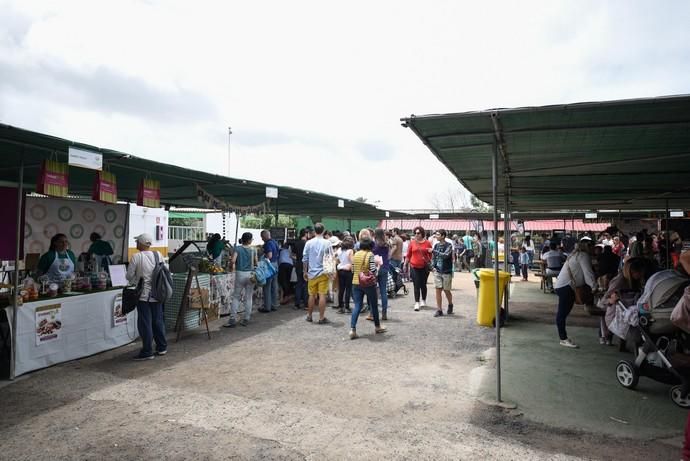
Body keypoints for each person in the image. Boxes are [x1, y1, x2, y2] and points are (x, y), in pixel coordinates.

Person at [126, 233, 167, 360]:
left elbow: (129, 276)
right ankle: (162, 347)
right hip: (158, 294)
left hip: (143, 296)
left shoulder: (136, 257)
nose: (136, 243)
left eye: (137, 241)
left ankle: (147, 351)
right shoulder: (158, 255)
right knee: (158, 321)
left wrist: (136, 279)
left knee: (145, 323)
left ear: (142, 243)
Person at [553, 237, 596, 348]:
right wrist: (595, 287)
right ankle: (563, 338)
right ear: (588, 247)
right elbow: (588, 274)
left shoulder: (575, 254)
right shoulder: (583, 256)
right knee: (562, 313)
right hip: (566, 287)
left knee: (563, 313)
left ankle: (563, 338)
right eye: (593, 247)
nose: (595, 250)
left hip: (563, 286)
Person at [349, 237, 385, 339]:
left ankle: (352, 329)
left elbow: (352, 269)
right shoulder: (370, 255)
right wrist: (378, 267)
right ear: (370, 246)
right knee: (373, 305)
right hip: (368, 284)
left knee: (357, 306)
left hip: (356, 282)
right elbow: (373, 271)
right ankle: (377, 327)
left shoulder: (355, 254)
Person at [224, 232, 258, 328]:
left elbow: (233, 260)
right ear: (249, 240)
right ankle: (246, 318)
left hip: (240, 274)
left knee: (236, 297)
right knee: (248, 297)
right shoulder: (253, 249)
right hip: (251, 274)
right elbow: (256, 262)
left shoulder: (238, 248)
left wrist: (231, 267)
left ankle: (232, 319)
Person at [302, 223, 331, 324]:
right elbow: (330, 258)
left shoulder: (308, 243)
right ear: (323, 231)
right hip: (323, 273)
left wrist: (305, 271)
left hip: (311, 273)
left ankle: (309, 316)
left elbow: (304, 259)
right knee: (322, 295)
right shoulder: (327, 243)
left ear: (314, 231)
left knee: (311, 295)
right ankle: (321, 317)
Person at [406, 226, 432, 311]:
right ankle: (417, 302)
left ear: (422, 234)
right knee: (416, 284)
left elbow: (430, 255)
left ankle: (423, 300)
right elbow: (408, 254)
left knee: (423, 284)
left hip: (424, 267)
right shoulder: (412, 243)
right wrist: (405, 264)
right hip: (414, 266)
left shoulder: (427, 243)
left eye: (418, 233)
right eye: (415, 233)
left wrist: (429, 259)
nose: (416, 235)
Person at [431, 229, 454, 317]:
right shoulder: (436, 245)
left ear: (443, 236)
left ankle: (450, 304)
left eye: (438, 234)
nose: (436, 236)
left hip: (446, 271)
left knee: (446, 290)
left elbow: (445, 255)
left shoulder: (449, 245)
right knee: (438, 290)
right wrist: (433, 267)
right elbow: (434, 258)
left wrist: (433, 251)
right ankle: (439, 309)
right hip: (437, 271)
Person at [371, 228, 390, 321]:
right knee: (383, 291)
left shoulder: (373, 244)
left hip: (375, 268)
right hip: (385, 267)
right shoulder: (387, 244)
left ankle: (372, 313)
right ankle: (384, 313)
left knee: (373, 291)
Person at [260, 229, 280, 313]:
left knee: (267, 286)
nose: (261, 239)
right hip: (275, 265)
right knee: (274, 286)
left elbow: (269, 255)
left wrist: (264, 258)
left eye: (262, 237)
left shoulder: (267, 244)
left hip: (269, 266)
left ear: (264, 236)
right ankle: (274, 305)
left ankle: (267, 307)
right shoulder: (275, 242)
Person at [336, 237, 354, 314]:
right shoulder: (350, 251)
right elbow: (352, 262)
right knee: (348, 289)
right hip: (348, 271)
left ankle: (340, 306)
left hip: (340, 270)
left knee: (341, 289)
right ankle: (347, 306)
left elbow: (336, 259)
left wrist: (341, 263)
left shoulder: (339, 250)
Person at [293, 228, 309, 309]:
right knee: (306, 284)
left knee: (298, 284)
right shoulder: (308, 243)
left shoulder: (296, 243)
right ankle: (306, 304)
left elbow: (293, 255)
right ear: (306, 234)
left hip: (298, 264)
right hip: (306, 265)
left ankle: (297, 303)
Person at [278, 240, 294, 305]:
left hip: (282, 265)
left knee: (283, 281)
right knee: (288, 280)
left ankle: (285, 296)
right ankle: (287, 295)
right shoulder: (290, 251)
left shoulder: (280, 251)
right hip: (290, 265)